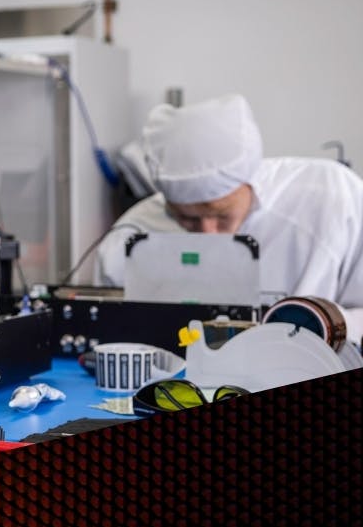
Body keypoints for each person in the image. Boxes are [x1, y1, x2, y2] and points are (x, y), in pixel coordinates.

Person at [93, 94, 363, 341]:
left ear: (248, 183)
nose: (208, 233)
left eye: (221, 215)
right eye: (187, 220)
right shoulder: (134, 233)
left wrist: (329, 325)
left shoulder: (332, 199)